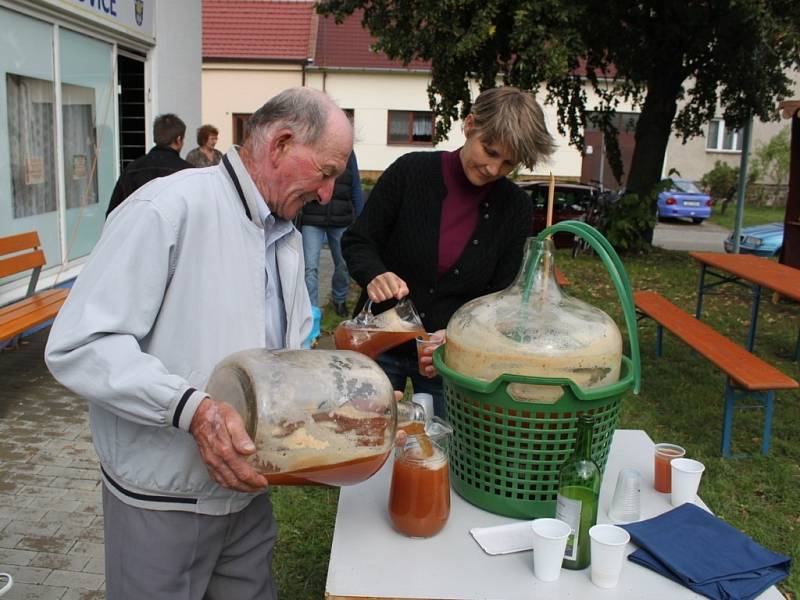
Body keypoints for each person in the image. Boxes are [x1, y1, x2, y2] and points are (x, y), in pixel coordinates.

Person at [45, 88, 353, 600]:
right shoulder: (167, 208)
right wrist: (194, 410)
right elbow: (80, 344)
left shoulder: (284, 233)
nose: (327, 193)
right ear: (279, 144)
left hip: (246, 496)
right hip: (163, 499)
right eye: (325, 172)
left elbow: (282, 350)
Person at [342, 86, 556, 418]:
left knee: (443, 450)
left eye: (508, 163)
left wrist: (456, 337)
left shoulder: (515, 207)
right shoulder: (410, 172)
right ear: (470, 125)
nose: (493, 169)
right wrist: (374, 273)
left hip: (450, 360)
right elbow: (359, 240)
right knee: (366, 437)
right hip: (377, 343)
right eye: (490, 150)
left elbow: (501, 297)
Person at [301, 151, 364, 316]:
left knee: (343, 265)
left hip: (341, 220)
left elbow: (356, 186)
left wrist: (361, 218)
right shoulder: (313, 145)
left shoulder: (349, 154)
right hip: (312, 219)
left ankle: (339, 299)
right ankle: (311, 311)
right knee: (310, 268)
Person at [105, 113, 192, 218]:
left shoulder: (132, 169)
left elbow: (112, 215)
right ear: (179, 139)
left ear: (155, 138)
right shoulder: (189, 172)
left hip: (139, 232)